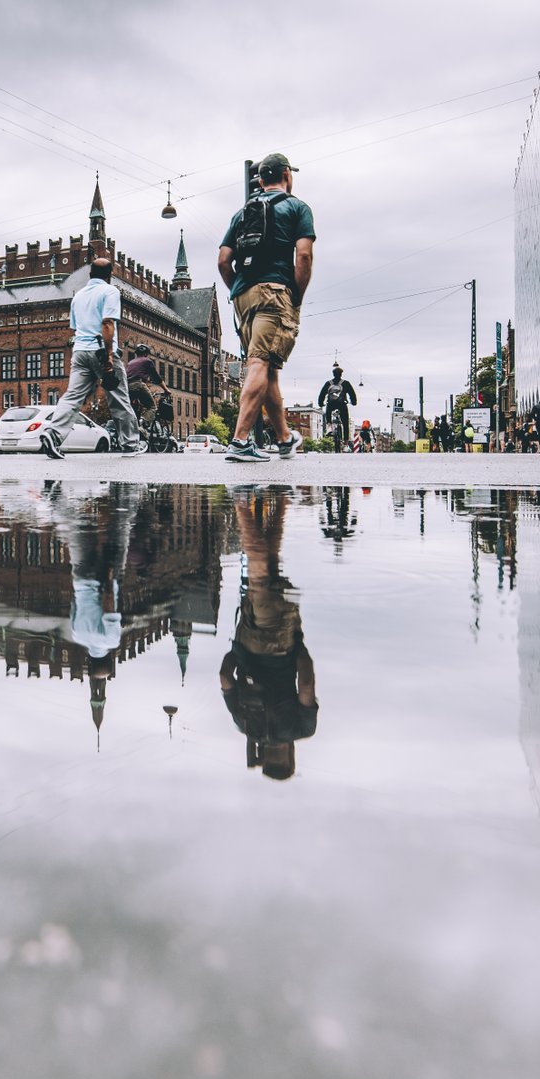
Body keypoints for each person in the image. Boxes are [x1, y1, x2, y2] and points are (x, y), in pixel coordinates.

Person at [218, 152, 315, 462]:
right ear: (287, 174)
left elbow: (223, 259)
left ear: (260, 180)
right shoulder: (297, 207)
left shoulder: (242, 212)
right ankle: (240, 441)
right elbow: (304, 256)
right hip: (276, 292)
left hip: (243, 296)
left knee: (268, 366)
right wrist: (295, 295)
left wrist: (238, 288)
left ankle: (285, 439)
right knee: (259, 364)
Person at [220, 488, 317, 777]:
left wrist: (298, 646)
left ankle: (240, 503)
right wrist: (239, 650)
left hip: (280, 645)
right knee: (268, 568)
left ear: (290, 758)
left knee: (261, 569)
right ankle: (282, 502)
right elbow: (225, 677)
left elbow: (307, 681)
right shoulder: (243, 726)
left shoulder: (302, 729)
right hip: (249, 641)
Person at [38, 257, 144, 459]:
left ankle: (53, 434)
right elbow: (107, 324)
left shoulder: (78, 296)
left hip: (79, 352)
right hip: (101, 351)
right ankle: (130, 443)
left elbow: (76, 328)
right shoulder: (110, 291)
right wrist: (110, 356)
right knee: (119, 398)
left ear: (90, 274)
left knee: (72, 396)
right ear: (110, 275)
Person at [126, 342, 167, 433]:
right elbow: (157, 378)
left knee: (132, 407)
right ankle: (143, 424)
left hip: (127, 387)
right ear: (146, 354)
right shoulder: (147, 361)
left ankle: (132, 425)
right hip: (138, 384)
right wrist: (166, 390)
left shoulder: (130, 362)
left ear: (136, 353)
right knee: (152, 407)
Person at [317, 363, 357, 445]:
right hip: (342, 404)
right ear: (341, 374)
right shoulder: (346, 383)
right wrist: (353, 402)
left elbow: (322, 394)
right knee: (345, 423)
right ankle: (346, 444)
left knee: (328, 410)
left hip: (331, 404)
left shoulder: (328, 383)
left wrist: (320, 403)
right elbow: (352, 394)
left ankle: (329, 427)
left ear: (333, 374)